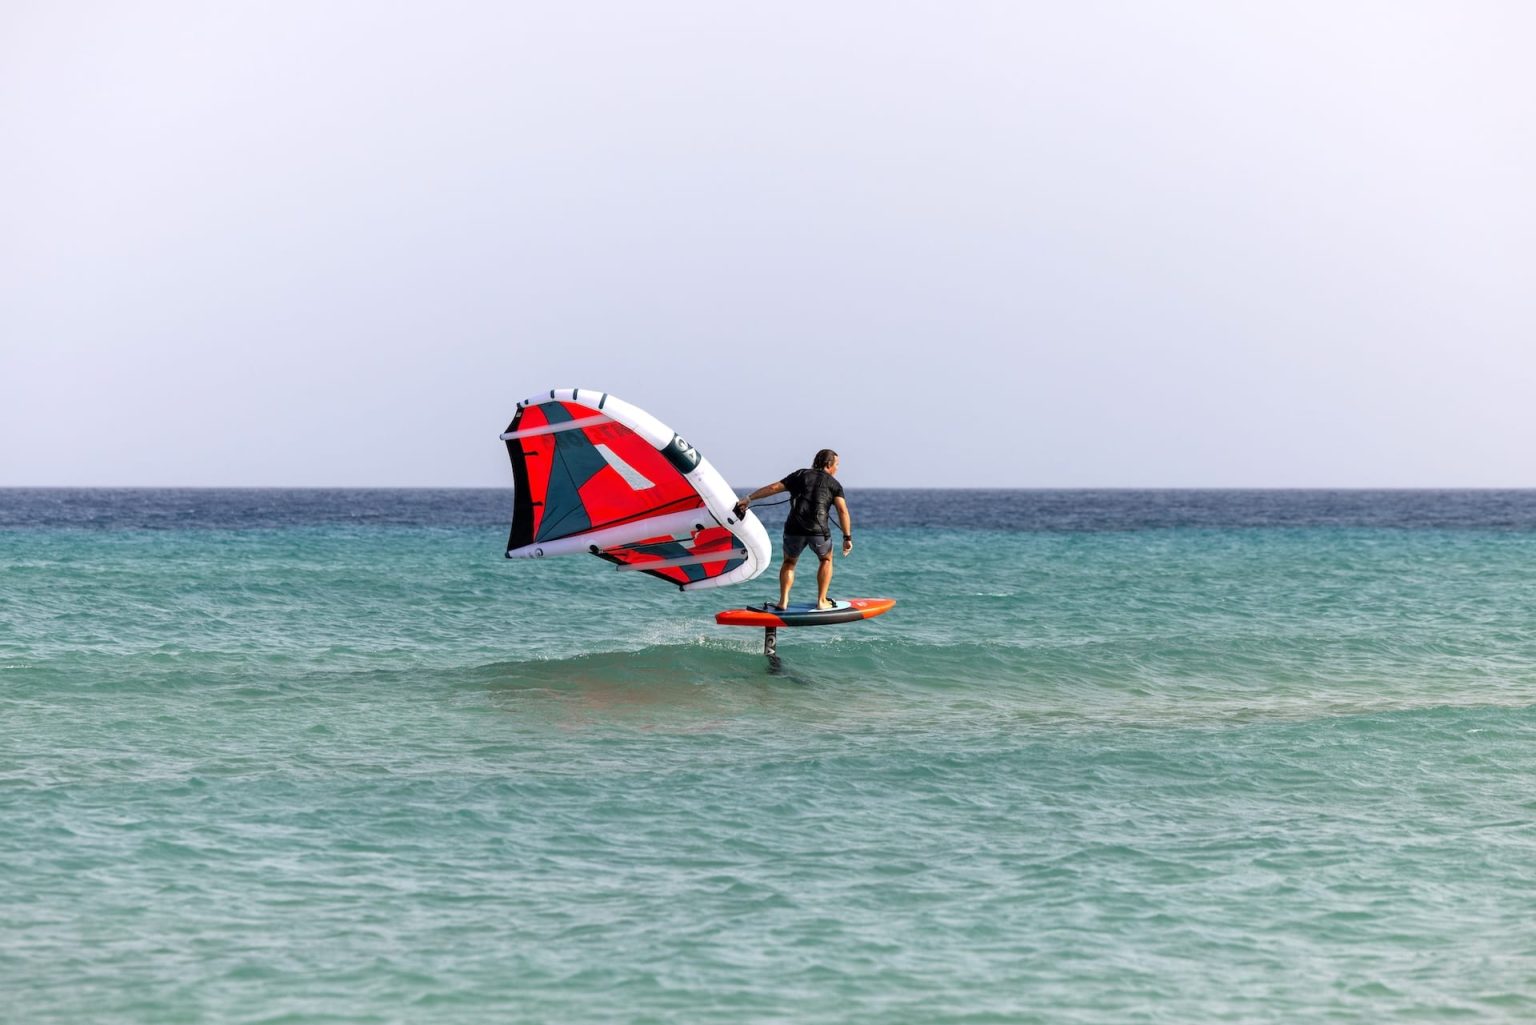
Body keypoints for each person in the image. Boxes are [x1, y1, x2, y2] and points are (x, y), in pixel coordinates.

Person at [733, 449, 852, 611]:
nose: (837, 468)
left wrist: (748, 498)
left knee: (789, 562)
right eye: (837, 464)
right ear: (829, 464)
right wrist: (847, 537)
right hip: (818, 531)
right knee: (826, 560)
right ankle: (821, 601)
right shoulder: (834, 484)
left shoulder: (800, 475)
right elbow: (842, 511)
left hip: (794, 528)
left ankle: (783, 602)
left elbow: (774, 488)